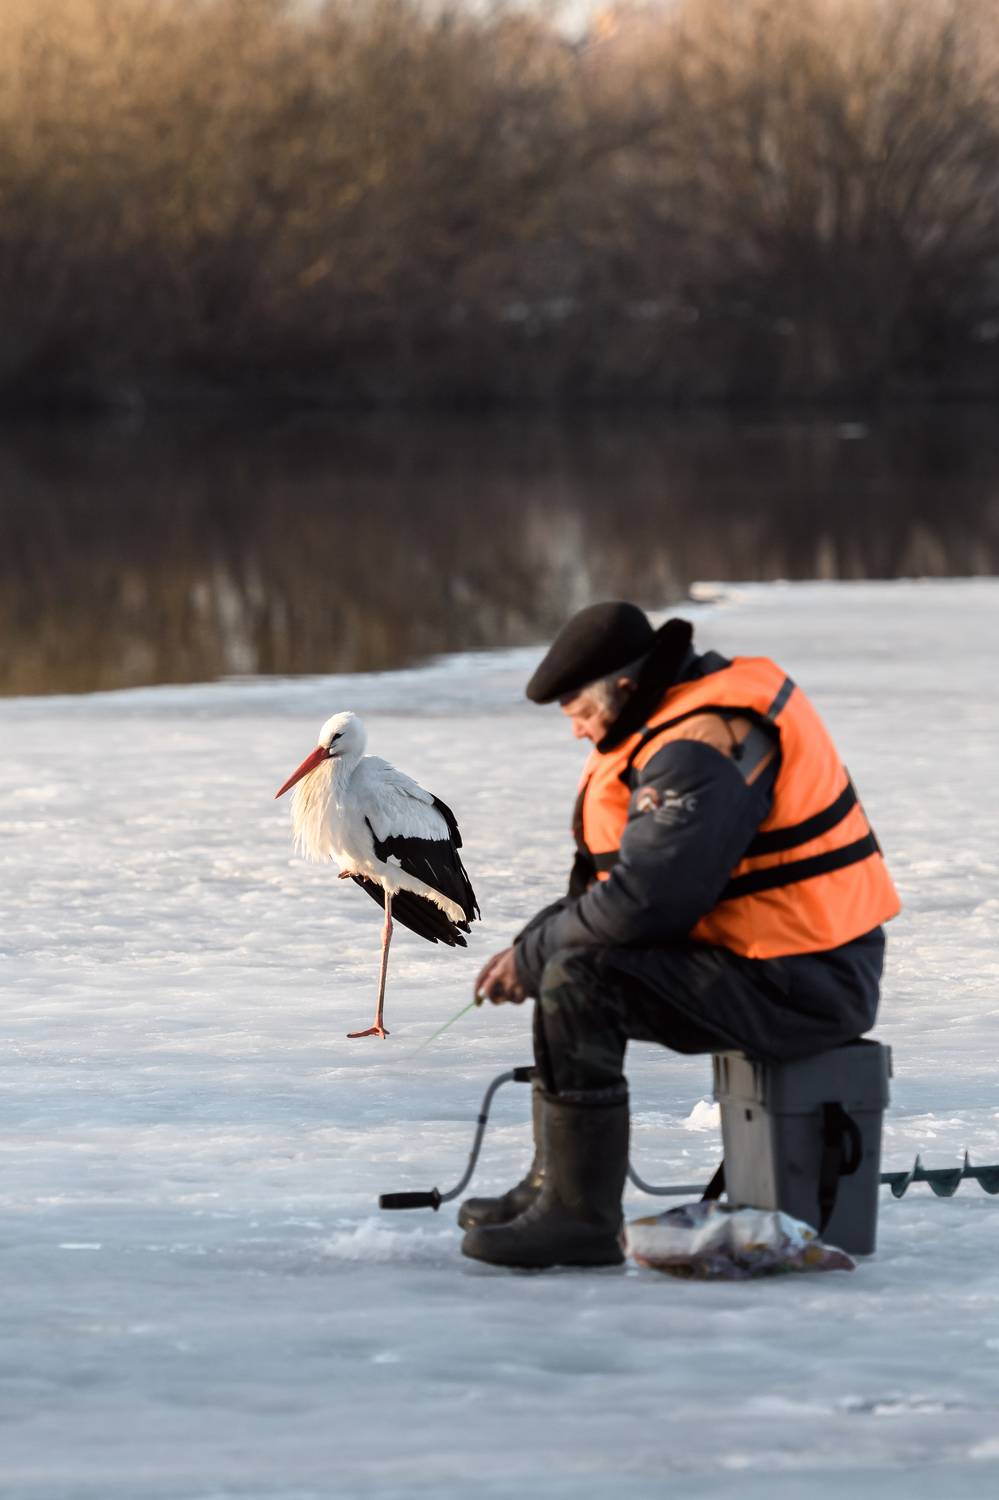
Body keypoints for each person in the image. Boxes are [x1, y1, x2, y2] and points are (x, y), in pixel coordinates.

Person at [460, 601, 900, 1269]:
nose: (576, 732)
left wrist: (539, 954)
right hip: (774, 960)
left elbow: (648, 902)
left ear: (628, 689)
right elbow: (619, 886)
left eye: (579, 711)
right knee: (568, 965)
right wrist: (528, 943)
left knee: (582, 982)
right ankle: (552, 1188)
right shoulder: (681, 717)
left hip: (807, 980)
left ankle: (577, 1219)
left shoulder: (699, 747)